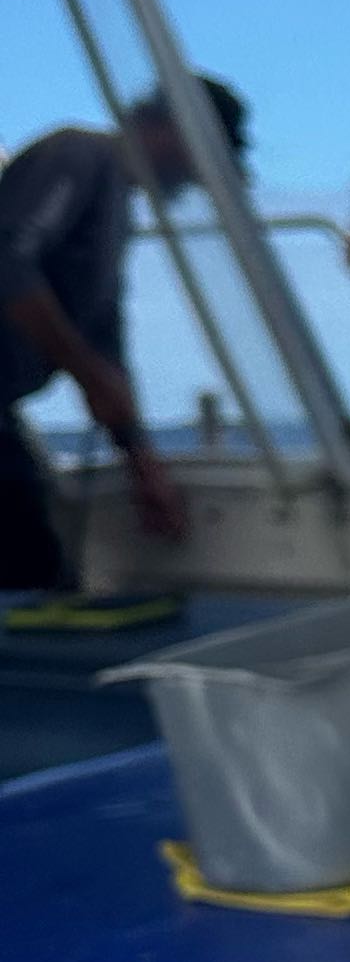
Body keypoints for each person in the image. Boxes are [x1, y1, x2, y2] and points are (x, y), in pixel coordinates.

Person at [0, 83, 241, 590]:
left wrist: (141, 460)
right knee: (31, 569)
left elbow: (105, 338)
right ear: (169, 130)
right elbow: (9, 262)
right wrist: (88, 376)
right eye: (202, 154)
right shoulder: (79, 155)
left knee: (35, 563)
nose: (197, 174)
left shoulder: (118, 209)